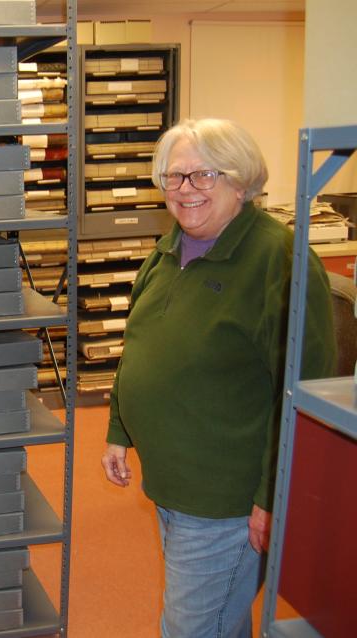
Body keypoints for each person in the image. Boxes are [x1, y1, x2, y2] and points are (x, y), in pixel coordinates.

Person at [101, 118, 336, 638]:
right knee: (216, 621)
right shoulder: (168, 251)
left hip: (225, 502)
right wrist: (120, 427)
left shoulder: (281, 260)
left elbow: (307, 392)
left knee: (193, 629)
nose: (185, 191)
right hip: (173, 486)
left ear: (241, 180)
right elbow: (141, 344)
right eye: (174, 177)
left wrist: (275, 494)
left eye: (203, 176)